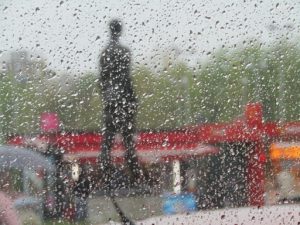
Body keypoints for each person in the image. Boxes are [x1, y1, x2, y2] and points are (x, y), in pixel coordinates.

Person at [98, 19, 142, 189]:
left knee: (107, 142)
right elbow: (126, 79)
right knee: (128, 143)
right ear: (120, 31)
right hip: (124, 101)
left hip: (110, 101)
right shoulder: (124, 52)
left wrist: (107, 99)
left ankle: (106, 178)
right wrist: (132, 101)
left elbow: (102, 81)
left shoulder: (104, 53)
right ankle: (135, 180)